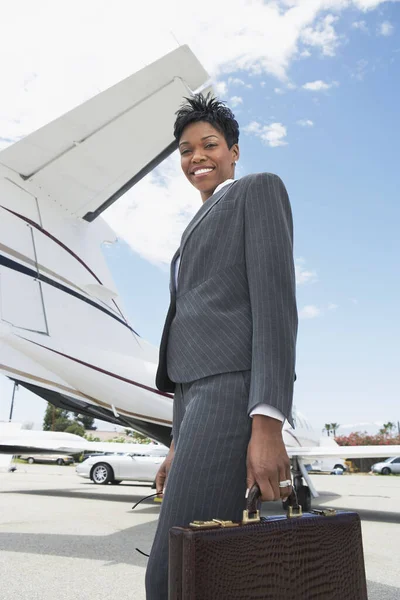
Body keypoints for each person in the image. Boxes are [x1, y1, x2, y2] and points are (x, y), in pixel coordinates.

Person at [145, 93, 298, 599]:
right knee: (198, 567)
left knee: (174, 571)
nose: (196, 157)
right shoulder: (193, 227)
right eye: (186, 150)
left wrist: (268, 422)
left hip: (231, 388)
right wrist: (176, 444)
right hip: (192, 398)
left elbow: (275, 308)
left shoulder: (256, 190)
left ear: (234, 151)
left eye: (209, 144)